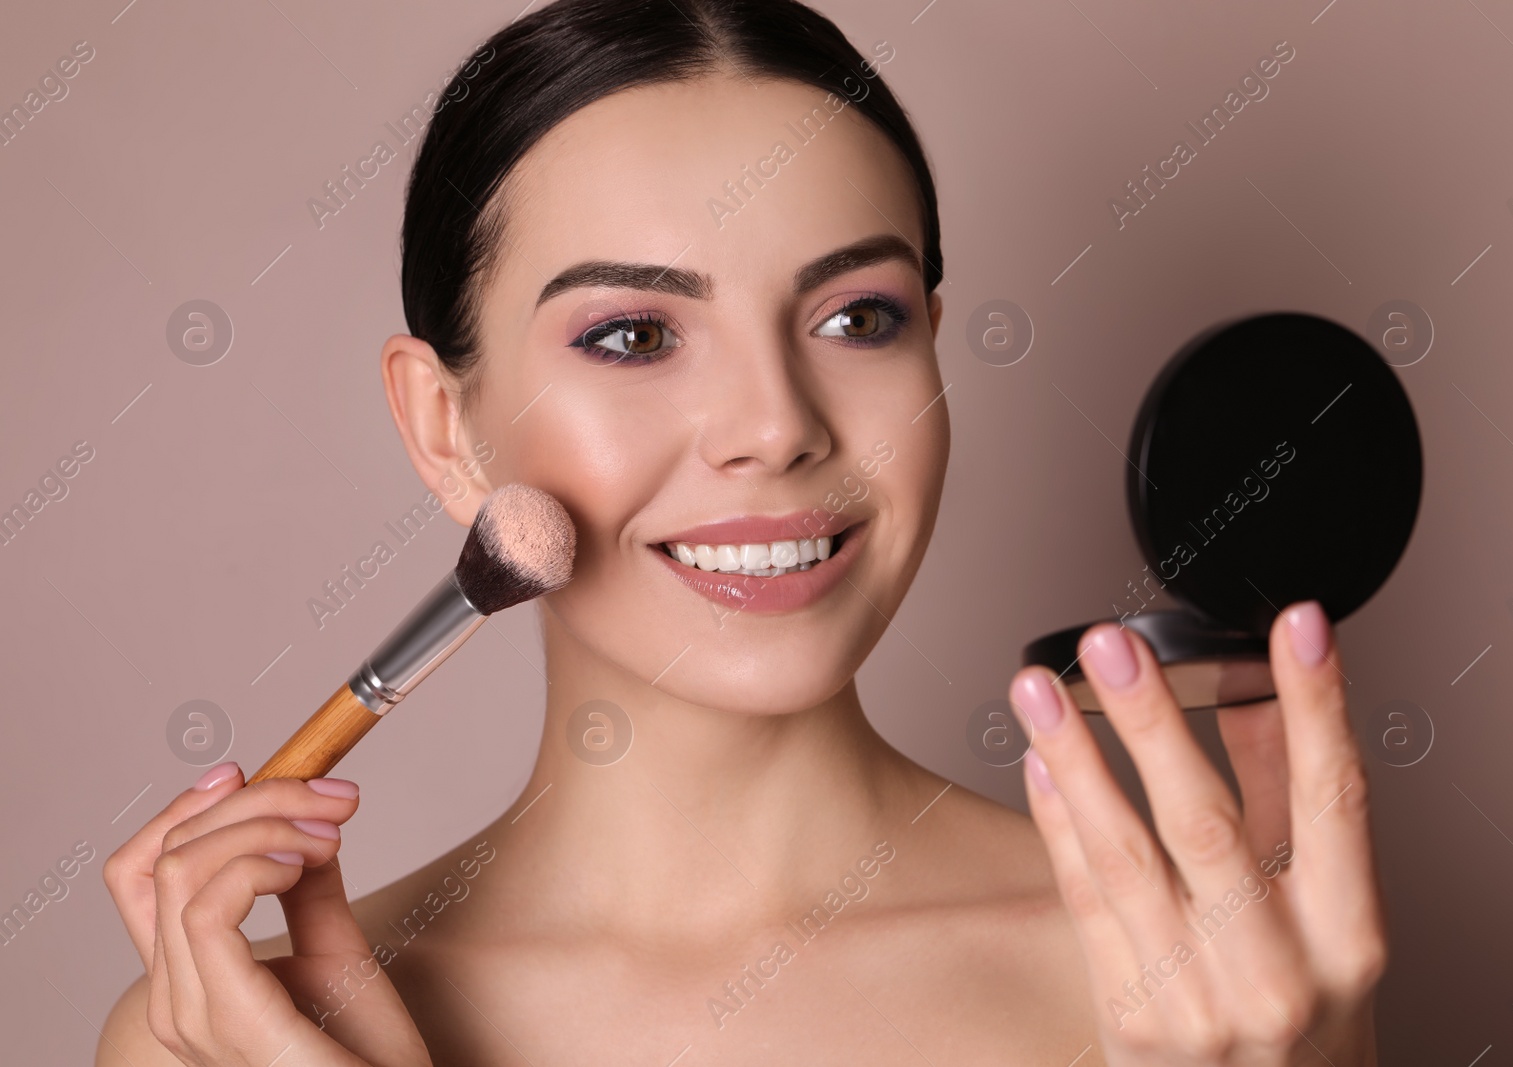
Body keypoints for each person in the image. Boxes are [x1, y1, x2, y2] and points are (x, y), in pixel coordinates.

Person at [100, 1, 1385, 1062]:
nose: (774, 426)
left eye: (855, 319)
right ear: (445, 427)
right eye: (634, 336)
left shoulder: (1207, 978)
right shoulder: (232, 1035)